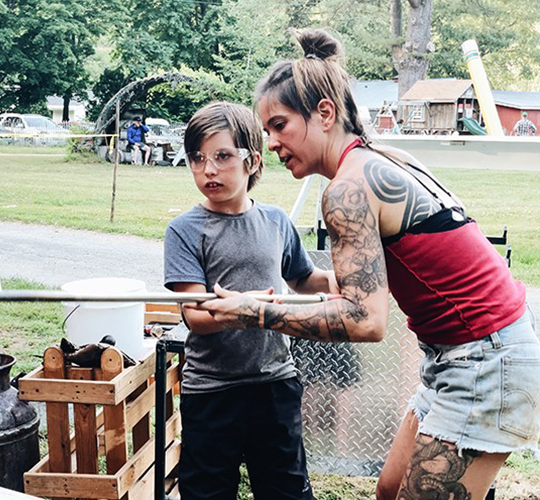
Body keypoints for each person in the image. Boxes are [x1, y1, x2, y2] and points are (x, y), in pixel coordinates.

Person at [192, 29, 540, 500]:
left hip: (485, 358)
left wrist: (250, 312)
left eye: (279, 125)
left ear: (325, 113)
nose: (271, 143)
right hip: (458, 353)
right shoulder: (383, 158)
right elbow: (371, 286)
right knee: (389, 489)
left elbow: (365, 320)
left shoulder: (348, 190)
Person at [165, 101, 336, 500]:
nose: (209, 169)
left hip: (274, 384)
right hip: (210, 392)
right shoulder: (184, 231)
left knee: (286, 491)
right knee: (206, 493)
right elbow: (196, 316)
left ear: (252, 161)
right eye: (197, 158)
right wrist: (248, 311)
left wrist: (351, 277)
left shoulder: (276, 221)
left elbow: (304, 278)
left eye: (223, 156)